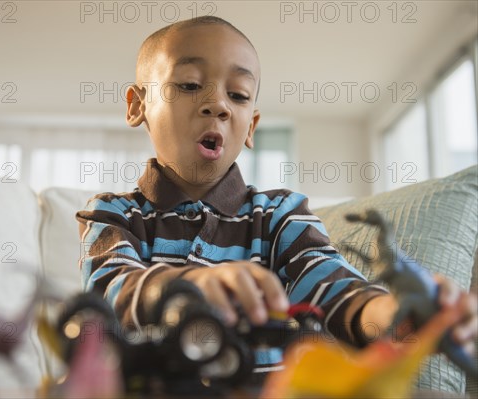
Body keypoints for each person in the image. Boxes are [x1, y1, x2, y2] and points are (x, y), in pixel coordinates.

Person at [76, 16, 476, 371]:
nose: (217, 104)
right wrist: (191, 286)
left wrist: (399, 317)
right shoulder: (110, 214)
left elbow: (333, 287)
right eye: (190, 84)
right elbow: (109, 294)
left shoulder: (280, 214)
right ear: (137, 105)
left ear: (251, 127)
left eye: (238, 95)